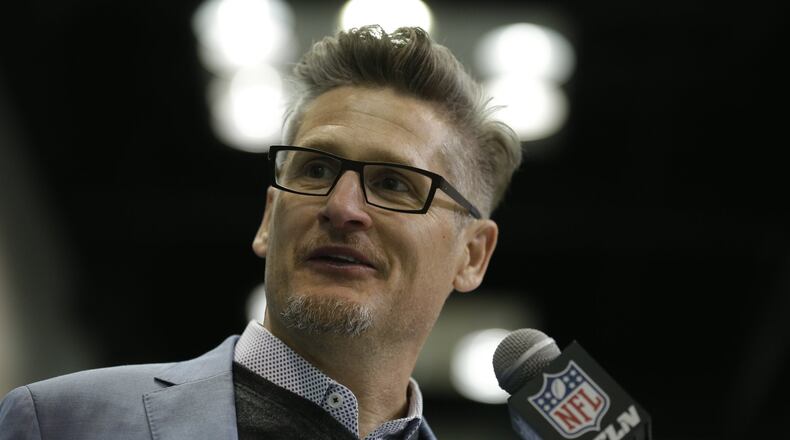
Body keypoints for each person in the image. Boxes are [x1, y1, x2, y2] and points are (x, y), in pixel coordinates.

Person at [0, 25, 522, 440]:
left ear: (472, 255)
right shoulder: (59, 423)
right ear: (270, 218)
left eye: (392, 183)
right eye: (315, 171)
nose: (342, 208)